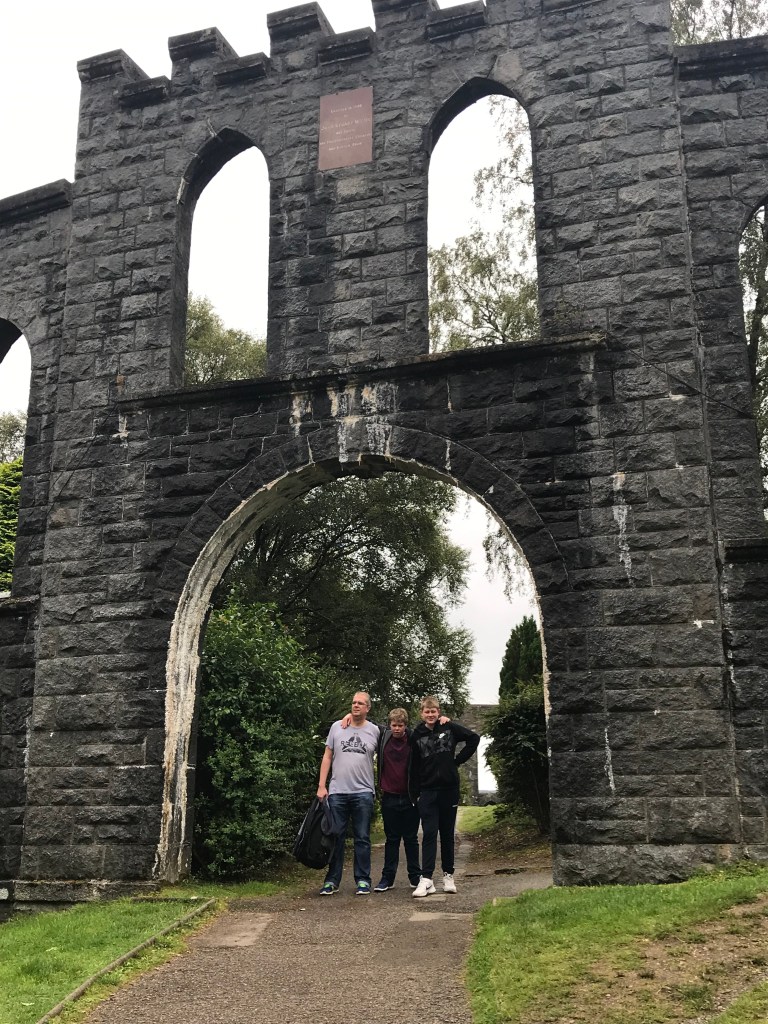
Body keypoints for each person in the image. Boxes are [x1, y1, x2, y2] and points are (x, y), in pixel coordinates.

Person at [410, 695, 480, 897]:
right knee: (429, 833)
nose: (430, 714)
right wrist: (414, 794)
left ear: (438, 712)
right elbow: (413, 766)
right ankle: (426, 879)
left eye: (433, 711)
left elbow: (473, 738)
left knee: (447, 834)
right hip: (427, 791)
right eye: (427, 711)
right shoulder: (417, 734)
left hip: (449, 789)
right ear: (422, 713)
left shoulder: (448, 727)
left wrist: (457, 761)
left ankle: (448, 875)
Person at [317, 691, 380, 896]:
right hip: (337, 791)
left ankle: (363, 880)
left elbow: (398, 736)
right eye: (354, 702)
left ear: (368, 708)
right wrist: (321, 785)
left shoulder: (375, 731)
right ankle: (332, 880)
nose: (356, 706)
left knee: (362, 838)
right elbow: (327, 756)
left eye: (360, 703)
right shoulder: (337, 727)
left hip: (363, 792)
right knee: (336, 837)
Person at [372, 707, 421, 892]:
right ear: (389, 725)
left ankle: (415, 877)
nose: (397, 729)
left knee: (411, 839)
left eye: (400, 725)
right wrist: (348, 716)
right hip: (389, 796)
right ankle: (387, 878)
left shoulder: (414, 739)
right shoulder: (383, 737)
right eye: (394, 725)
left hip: (410, 797)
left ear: (405, 725)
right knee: (391, 839)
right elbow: (364, 722)